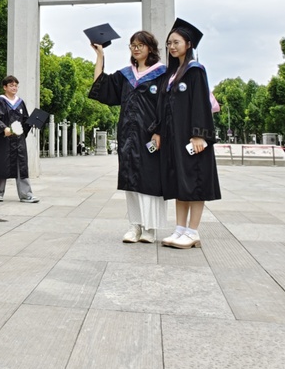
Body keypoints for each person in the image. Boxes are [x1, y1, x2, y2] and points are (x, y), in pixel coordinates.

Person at [89, 31, 169, 243]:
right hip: (127, 136)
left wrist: (160, 132)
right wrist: (100, 56)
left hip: (150, 136)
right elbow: (100, 85)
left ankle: (150, 228)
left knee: (150, 182)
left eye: (141, 45)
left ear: (150, 48)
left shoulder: (162, 74)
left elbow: (167, 107)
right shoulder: (126, 75)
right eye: (133, 45)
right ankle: (135, 226)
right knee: (131, 181)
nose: (136, 48)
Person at [150, 17, 221, 249]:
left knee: (194, 181)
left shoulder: (194, 71)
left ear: (188, 44)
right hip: (174, 138)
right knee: (180, 182)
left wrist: (199, 134)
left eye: (176, 42)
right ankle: (180, 229)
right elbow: (162, 107)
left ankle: (193, 232)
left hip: (192, 138)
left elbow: (200, 103)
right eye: (169, 43)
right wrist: (158, 131)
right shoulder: (171, 75)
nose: (171, 47)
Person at [0, 75, 39, 203]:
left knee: (22, 166)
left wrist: (33, 122)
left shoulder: (20, 102)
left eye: (16, 85)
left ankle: (26, 194)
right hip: (3, 139)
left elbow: (25, 120)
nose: (14, 88)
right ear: (5, 87)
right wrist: (4, 128)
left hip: (18, 140)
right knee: (1, 165)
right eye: (11, 85)